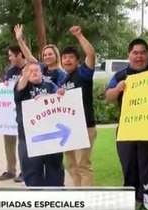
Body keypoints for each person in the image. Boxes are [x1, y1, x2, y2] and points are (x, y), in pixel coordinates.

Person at [105, 38, 148, 210]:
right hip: (127, 129)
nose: (139, 56)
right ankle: (131, 197)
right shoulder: (120, 75)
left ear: (147, 55)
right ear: (129, 55)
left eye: (143, 52)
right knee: (129, 164)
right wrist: (117, 89)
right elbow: (108, 97)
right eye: (135, 53)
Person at [14, 62, 65, 186]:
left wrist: (60, 94)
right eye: (30, 71)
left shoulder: (49, 85)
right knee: (32, 174)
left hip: (50, 137)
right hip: (28, 137)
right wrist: (24, 77)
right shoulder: (22, 86)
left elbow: (60, 99)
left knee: (55, 172)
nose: (34, 72)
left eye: (37, 70)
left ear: (42, 73)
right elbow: (19, 90)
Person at [60, 26, 97, 187]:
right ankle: (79, 199)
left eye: (70, 57)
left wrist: (79, 35)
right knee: (72, 166)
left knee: (83, 166)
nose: (67, 60)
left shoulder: (83, 73)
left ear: (77, 60)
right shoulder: (63, 81)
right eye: (64, 57)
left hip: (84, 127)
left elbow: (91, 54)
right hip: (69, 130)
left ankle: (88, 204)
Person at [0, 45, 26, 183]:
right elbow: (5, 88)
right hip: (9, 113)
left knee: (23, 142)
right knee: (9, 142)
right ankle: (10, 170)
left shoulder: (28, 69)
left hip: (24, 112)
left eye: (11, 55)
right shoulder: (10, 71)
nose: (9, 58)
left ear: (19, 55)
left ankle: (24, 170)